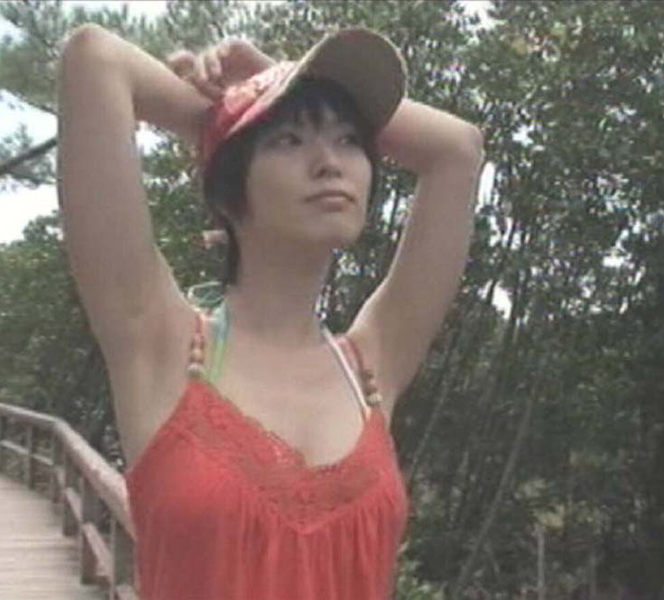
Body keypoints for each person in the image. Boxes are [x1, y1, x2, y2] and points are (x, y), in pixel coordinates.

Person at [56, 21, 483, 600]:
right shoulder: (160, 344)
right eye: (289, 141)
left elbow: (457, 148)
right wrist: (224, 118)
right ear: (228, 191)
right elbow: (95, 58)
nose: (329, 163)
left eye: (349, 140)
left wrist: (274, 76)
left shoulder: (369, 365)